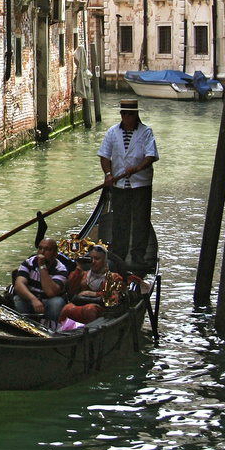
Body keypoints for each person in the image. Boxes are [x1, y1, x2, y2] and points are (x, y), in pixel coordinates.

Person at [98, 98, 158, 274]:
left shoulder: (146, 133)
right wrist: (108, 174)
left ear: (136, 114)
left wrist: (137, 168)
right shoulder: (112, 132)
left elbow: (151, 156)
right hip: (119, 184)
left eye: (130, 113)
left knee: (141, 221)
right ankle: (118, 256)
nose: (127, 116)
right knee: (120, 221)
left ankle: (138, 256)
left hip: (141, 184)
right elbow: (104, 155)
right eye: (124, 113)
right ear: (121, 114)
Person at [57, 244, 123, 328]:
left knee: (89, 309)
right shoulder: (84, 275)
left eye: (97, 259)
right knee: (67, 308)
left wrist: (93, 294)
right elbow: (71, 290)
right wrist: (79, 267)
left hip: (102, 308)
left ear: (104, 260)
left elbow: (113, 298)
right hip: (81, 302)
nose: (94, 262)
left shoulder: (113, 277)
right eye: (91, 259)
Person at [13, 237, 68, 322]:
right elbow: (18, 285)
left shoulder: (61, 269)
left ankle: (52, 329)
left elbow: (51, 291)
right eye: (40, 248)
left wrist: (42, 266)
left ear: (55, 254)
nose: (42, 252)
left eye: (47, 249)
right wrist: (33, 299)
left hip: (49, 305)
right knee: (17, 300)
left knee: (56, 303)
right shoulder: (28, 263)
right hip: (30, 301)